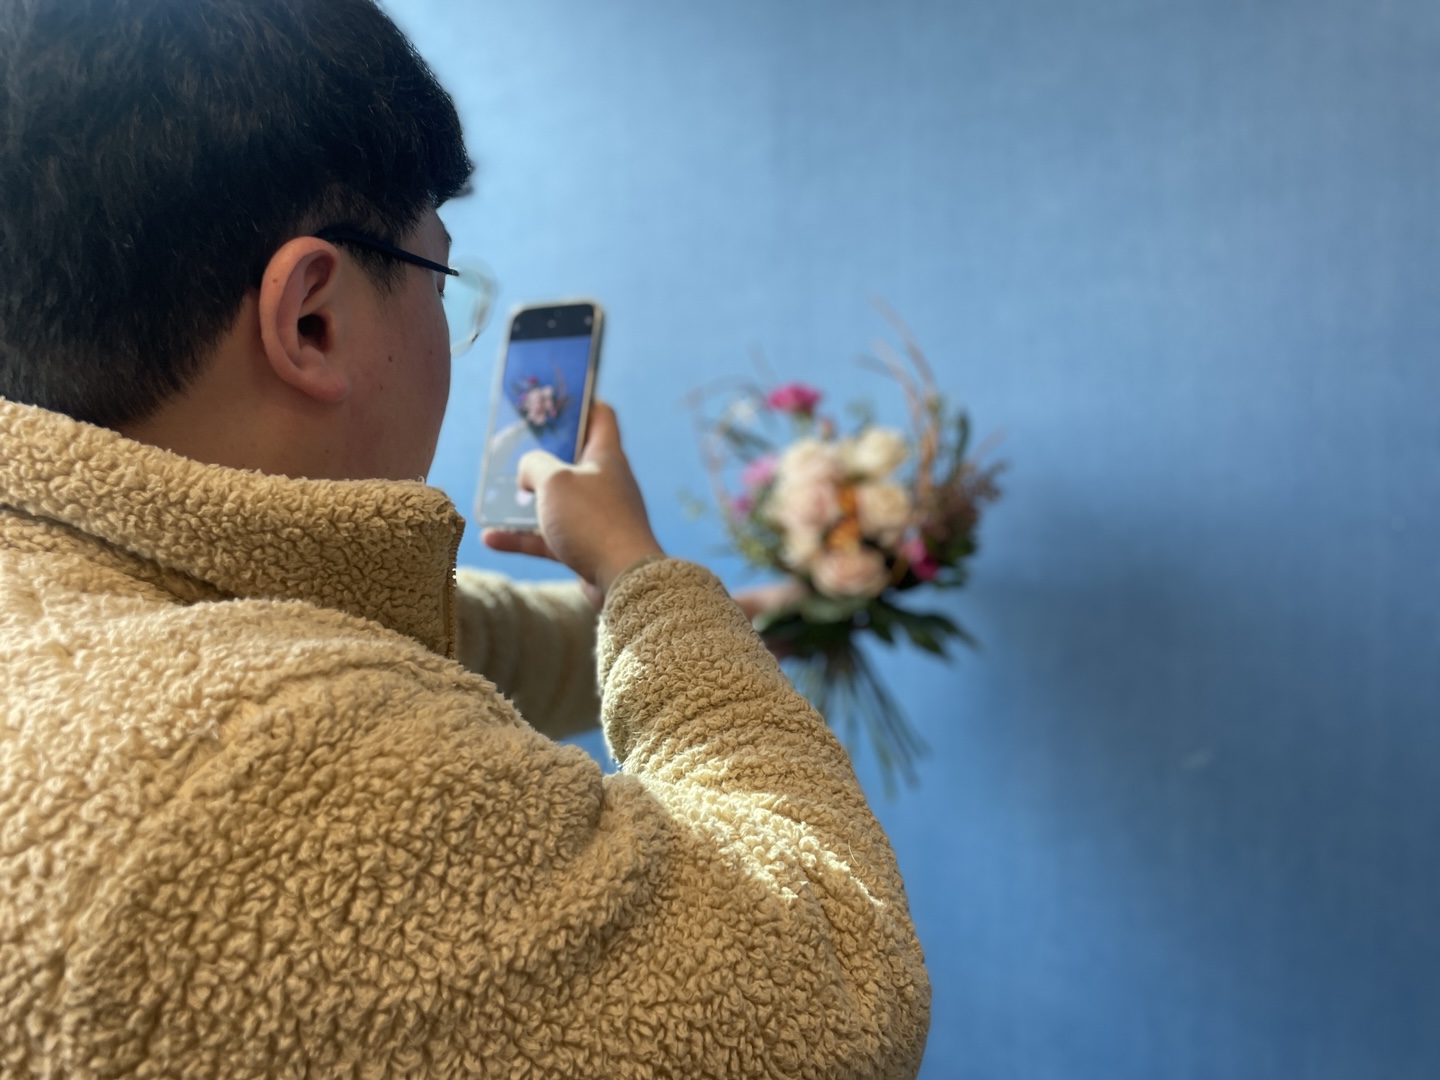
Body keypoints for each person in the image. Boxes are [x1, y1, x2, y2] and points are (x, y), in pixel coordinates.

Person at [0, 0, 930, 1075]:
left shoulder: (89, 585)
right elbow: (837, 980)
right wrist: (641, 572)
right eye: (441, 279)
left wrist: (703, 622)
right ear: (312, 320)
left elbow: (448, 633)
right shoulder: (274, 761)